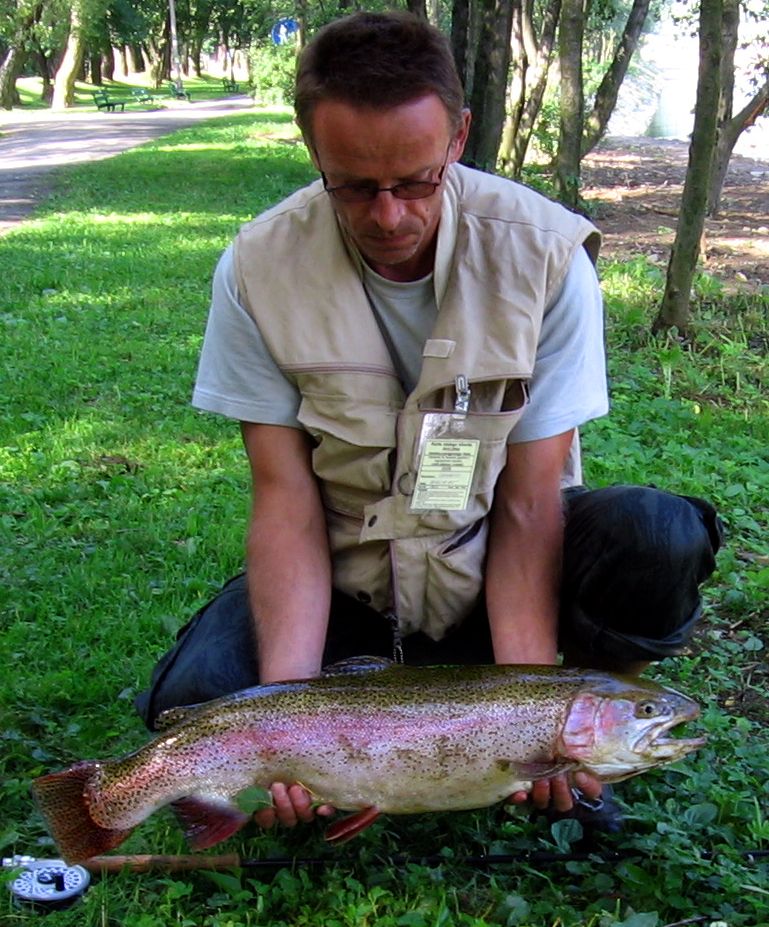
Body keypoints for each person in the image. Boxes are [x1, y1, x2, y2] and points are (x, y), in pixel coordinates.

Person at [135, 11, 722, 835]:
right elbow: (284, 501)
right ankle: (348, 743)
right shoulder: (256, 268)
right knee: (202, 703)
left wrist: (531, 722)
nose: (387, 216)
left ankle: (587, 751)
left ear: (458, 137)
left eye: (414, 181)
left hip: (486, 568)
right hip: (349, 580)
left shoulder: (546, 257)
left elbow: (528, 505)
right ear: (312, 149)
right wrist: (287, 711)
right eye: (353, 186)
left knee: (655, 532)